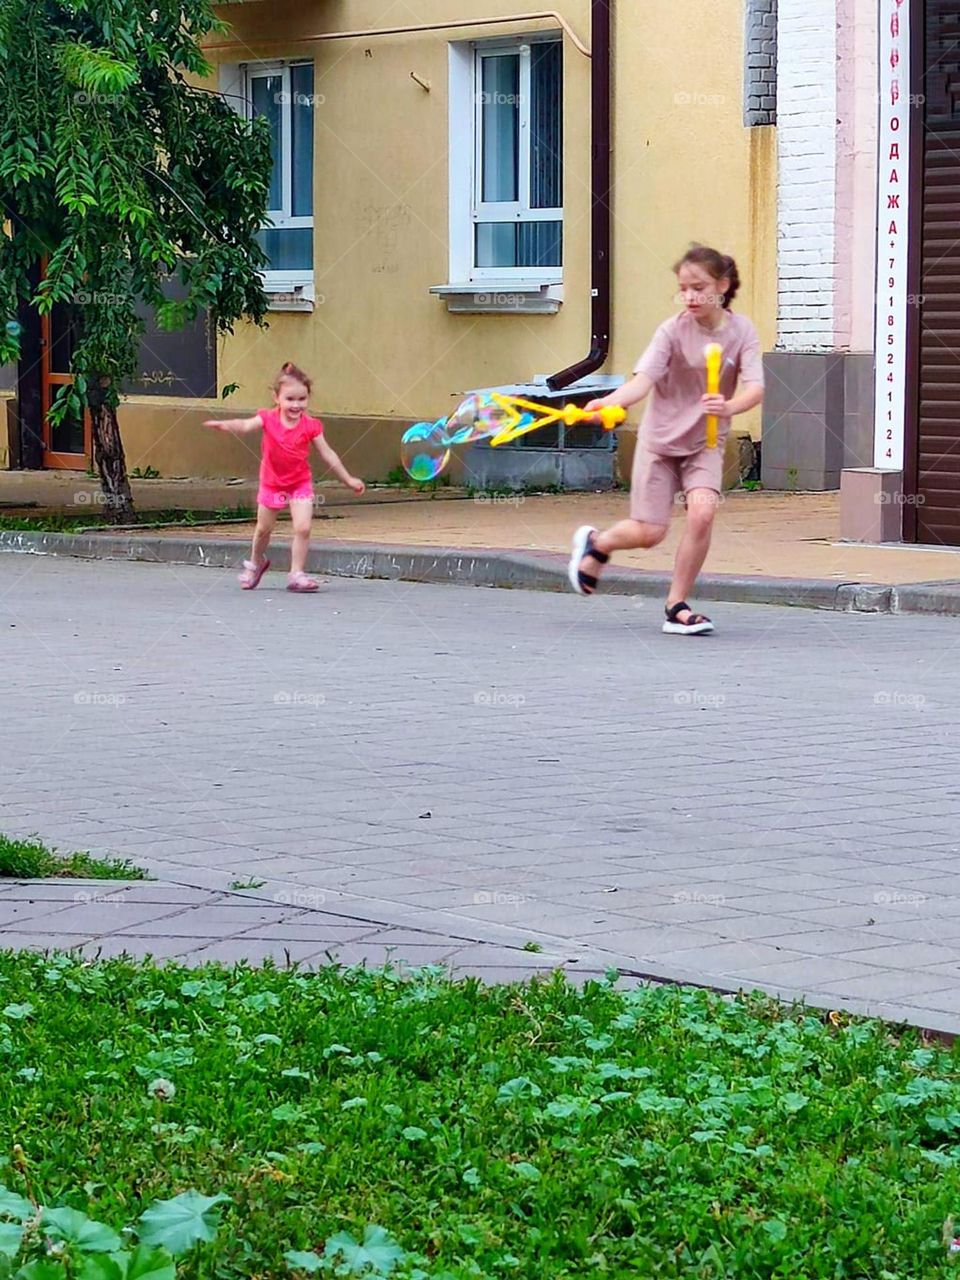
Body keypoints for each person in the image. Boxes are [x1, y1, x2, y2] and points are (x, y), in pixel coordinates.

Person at [568, 245, 764, 634]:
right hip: (660, 442)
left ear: (722, 286)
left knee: (703, 513)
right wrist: (608, 403)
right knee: (650, 533)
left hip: (706, 442)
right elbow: (642, 382)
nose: (690, 297)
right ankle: (598, 544)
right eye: (683, 289)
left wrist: (729, 407)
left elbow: (756, 387)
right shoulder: (672, 331)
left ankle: (677, 606)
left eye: (699, 287)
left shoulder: (742, 332)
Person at [204, 362, 365, 592]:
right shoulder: (268, 418)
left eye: (302, 399)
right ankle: (255, 563)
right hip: (272, 484)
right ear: (276, 397)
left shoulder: (311, 425)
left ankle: (296, 574)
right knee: (263, 529)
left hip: (300, 483)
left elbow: (327, 453)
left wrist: (348, 479)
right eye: (290, 399)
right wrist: (226, 425)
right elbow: (246, 425)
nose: (296, 405)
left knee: (303, 527)